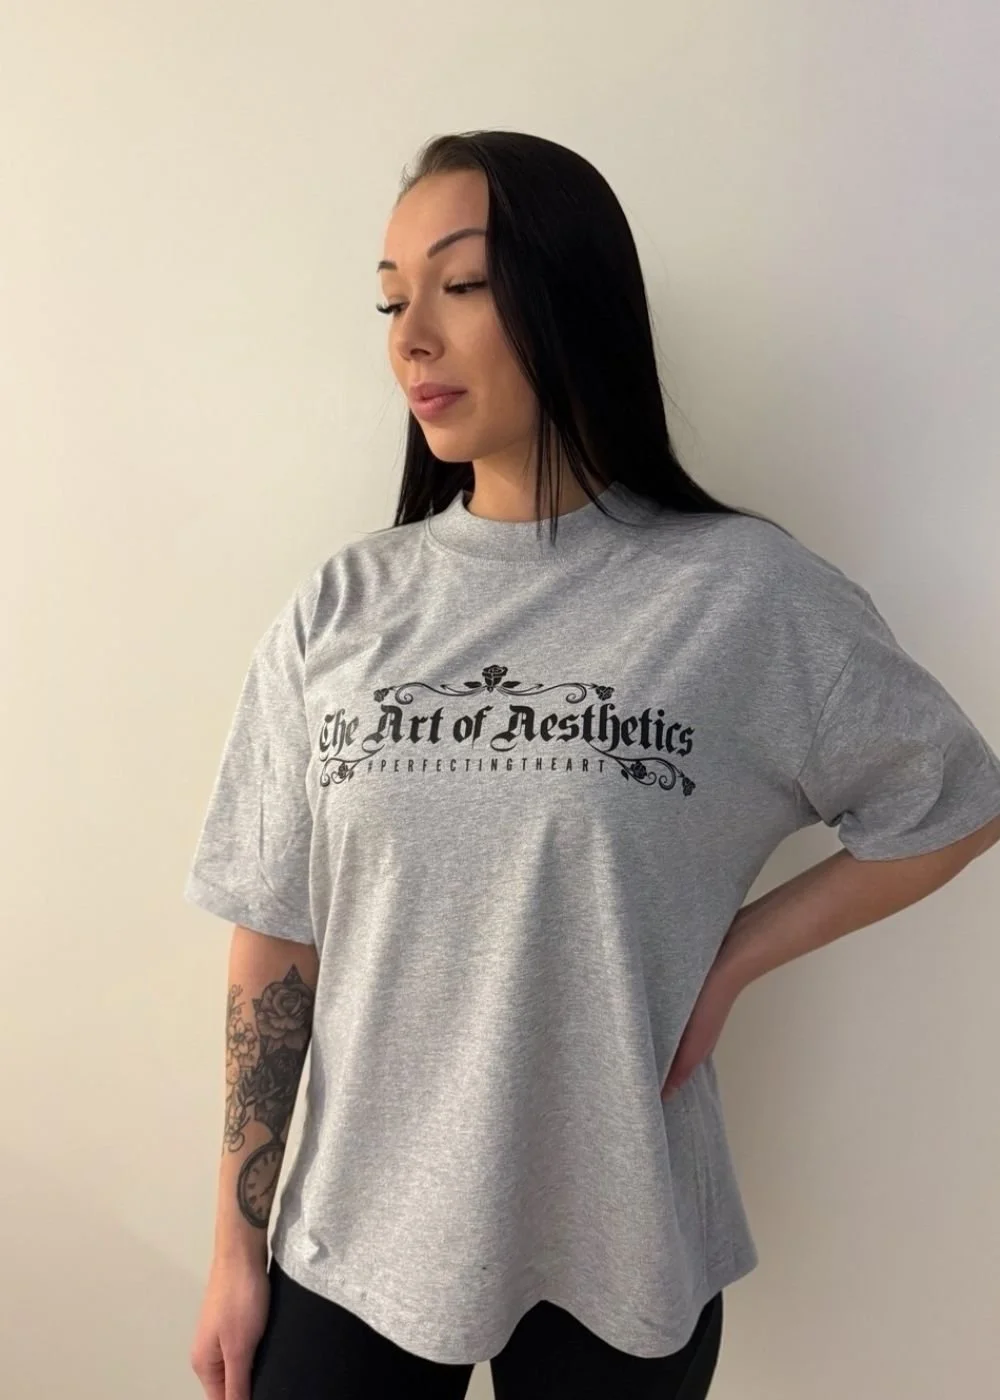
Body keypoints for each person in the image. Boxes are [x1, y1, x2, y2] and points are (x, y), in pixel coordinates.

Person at [185, 130, 1000, 1400]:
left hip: (621, 1240)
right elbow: (275, 934)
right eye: (392, 300)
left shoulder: (739, 594)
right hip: (352, 1238)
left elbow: (949, 799)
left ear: (570, 296)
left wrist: (731, 956)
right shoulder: (341, 607)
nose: (412, 339)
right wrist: (235, 1250)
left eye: (460, 285)